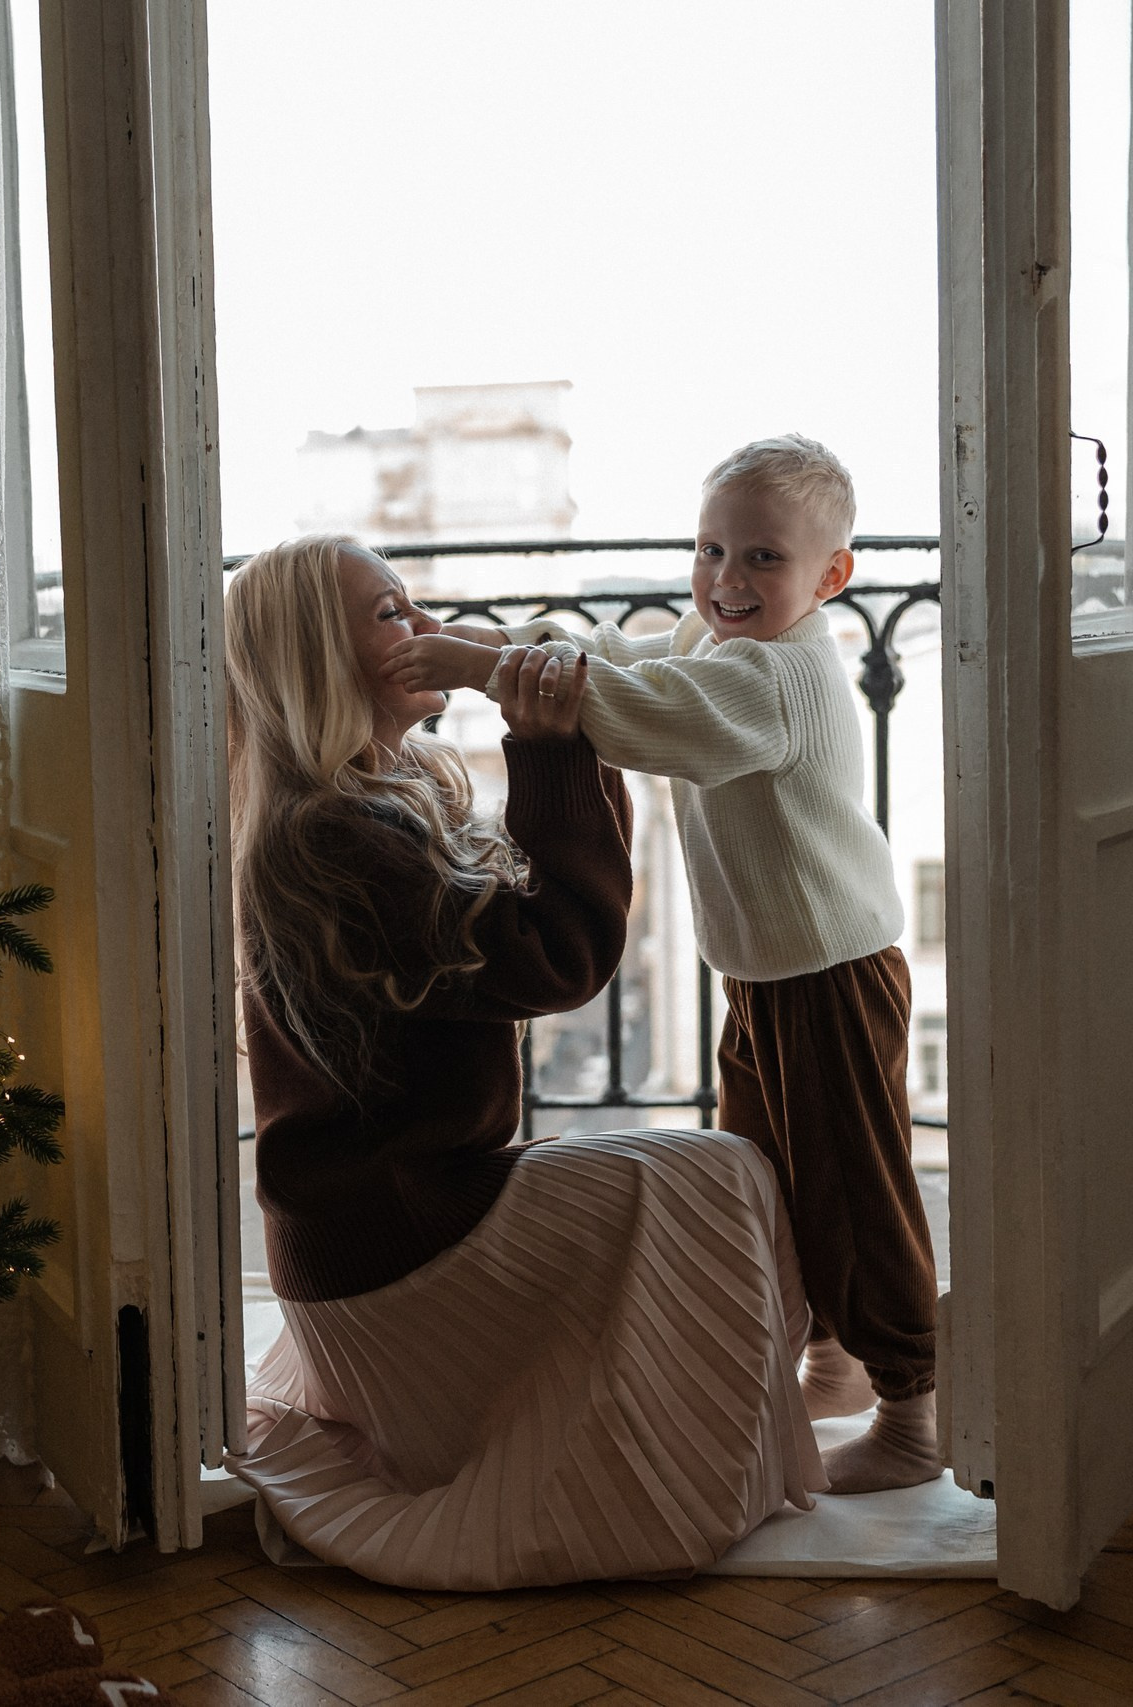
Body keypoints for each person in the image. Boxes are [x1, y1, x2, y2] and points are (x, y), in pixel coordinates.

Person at [223, 533, 822, 1593]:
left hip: (381, 1235)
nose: (426, 627)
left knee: (692, 1169)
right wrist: (552, 749)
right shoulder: (333, 838)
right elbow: (561, 956)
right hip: (398, 1252)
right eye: (392, 614)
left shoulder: (362, 799)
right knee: (719, 1171)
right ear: (321, 658)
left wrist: (560, 746)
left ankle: (737, 1424)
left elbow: (523, 926)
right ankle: (693, 1471)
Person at [384, 436, 941, 1494]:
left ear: (831, 577)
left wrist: (478, 671)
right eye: (711, 549)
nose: (728, 579)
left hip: (827, 974)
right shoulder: (714, 638)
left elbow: (646, 716)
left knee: (856, 1188)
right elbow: (617, 660)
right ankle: (830, 1362)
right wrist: (497, 641)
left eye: (764, 558)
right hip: (766, 972)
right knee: (769, 1174)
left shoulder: (777, 675)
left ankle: (912, 1410)